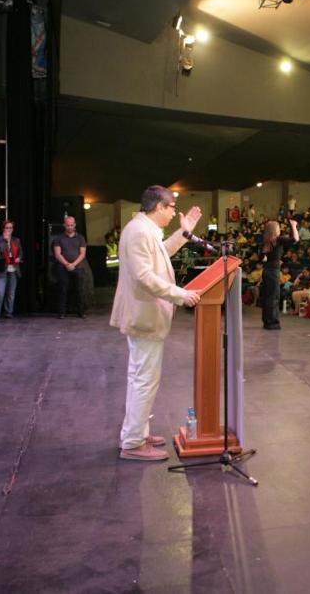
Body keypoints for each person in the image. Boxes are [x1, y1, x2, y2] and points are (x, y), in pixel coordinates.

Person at [110, 186, 202, 462]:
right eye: (172, 208)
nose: (175, 213)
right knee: (144, 380)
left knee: (142, 379)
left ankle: (136, 432)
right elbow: (143, 277)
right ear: (159, 206)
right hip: (144, 316)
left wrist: (184, 233)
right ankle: (134, 443)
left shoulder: (143, 229)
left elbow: (161, 253)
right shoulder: (139, 231)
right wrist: (180, 295)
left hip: (145, 315)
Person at [260, 218, 299, 330]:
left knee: (267, 297)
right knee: (274, 297)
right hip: (273, 271)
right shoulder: (278, 239)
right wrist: (293, 225)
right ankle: (273, 323)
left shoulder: (266, 241)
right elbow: (295, 239)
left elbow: (262, 258)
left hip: (266, 270)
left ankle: (267, 321)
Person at [53, 215, 87, 318]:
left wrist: (73, 264)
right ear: (64, 225)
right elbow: (57, 254)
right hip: (63, 267)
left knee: (79, 290)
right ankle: (62, 313)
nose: (70, 227)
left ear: (75, 225)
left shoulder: (80, 238)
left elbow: (82, 254)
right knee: (63, 289)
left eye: (71, 225)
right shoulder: (58, 238)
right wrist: (67, 264)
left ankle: (81, 312)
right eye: (68, 225)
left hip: (78, 267)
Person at [0, 220, 22, 320]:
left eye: (10, 228)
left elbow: (20, 253)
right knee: (0, 292)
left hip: (13, 269)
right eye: (7, 228)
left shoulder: (16, 240)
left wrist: (19, 258)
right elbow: (0, 250)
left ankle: (8, 312)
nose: (8, 230)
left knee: (11, 293)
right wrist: (5, 240)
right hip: (2, 269)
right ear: (3, 229)